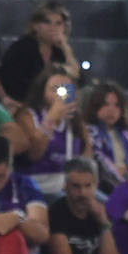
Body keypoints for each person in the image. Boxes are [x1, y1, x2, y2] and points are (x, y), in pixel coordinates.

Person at [13, 63, 92, 198]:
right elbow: (33, 155)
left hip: (67, 186)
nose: (60, 95)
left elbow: (87, 158)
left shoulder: (76, 120)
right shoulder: (28, 115)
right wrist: (51, 118)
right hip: (35, 186)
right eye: (54, 89)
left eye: (65, 89)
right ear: (42, 91)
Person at [0, 1, 79, 105]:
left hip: (50, 104)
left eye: (58, 23)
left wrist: (66, 47)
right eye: (47, 22)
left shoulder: (59, 51)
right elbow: (15, 85)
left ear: (65, 28)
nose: (53, 28)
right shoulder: (22, 47)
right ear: (35, 26)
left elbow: (75, 77)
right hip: (20, 104)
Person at [81, 79, 128, 189]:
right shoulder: (89, 132)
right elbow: (98, 163)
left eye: (117, 105)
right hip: (104, 185)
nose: (111, 110)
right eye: (106, 104)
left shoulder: (127, 136)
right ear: (95, 106)